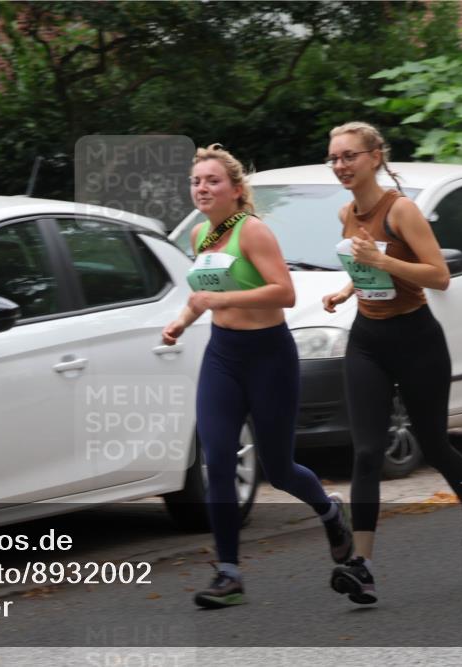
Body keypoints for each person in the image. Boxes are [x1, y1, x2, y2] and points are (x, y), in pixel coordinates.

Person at [162, 144, 352, 609]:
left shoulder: (253, 232)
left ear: (235, 189)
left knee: (280, 468)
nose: (202, 188)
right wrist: (182, 322)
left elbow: (283, 293)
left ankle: (330, 512)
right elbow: (204, 293)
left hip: (269, 356)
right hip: (222, 356)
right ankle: (229, 574)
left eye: (212, 181)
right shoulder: (200, 237)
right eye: (196, 182)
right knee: (219, 460)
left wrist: (219, 304)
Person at [321, 121, 462, 605]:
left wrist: (385, 265)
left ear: (375, 157)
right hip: (367, 340)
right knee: (365, 451)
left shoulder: (402, 211)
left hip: (416, 338)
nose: (340, 165)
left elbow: (439, 276)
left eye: (349, 156)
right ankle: (363, 565)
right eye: (334, 157)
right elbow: (363, 269)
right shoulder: (345, 213)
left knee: (435, 445)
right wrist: (344, 289)